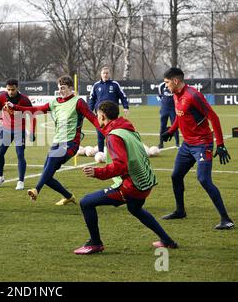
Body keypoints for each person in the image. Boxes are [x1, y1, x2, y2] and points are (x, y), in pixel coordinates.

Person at [74, 101, 178, 255]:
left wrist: (98, 172)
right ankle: (167, 240)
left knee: (86, 202)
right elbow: (104, 128)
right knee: (135, 208)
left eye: (98, 115)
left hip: (132, 186)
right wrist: (86, 112)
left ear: (103, 116)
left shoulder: (113, 137)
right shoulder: (126, 128)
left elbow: (121, 166)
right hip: (145, 183)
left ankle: (95, 243)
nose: (97, 118)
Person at [6, 75, 99, 205]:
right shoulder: (55, 102)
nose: (61, 91)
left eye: (63, 88)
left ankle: (36, 189)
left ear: (71, 88)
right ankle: (68, 196)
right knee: (47, 176)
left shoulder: (78, 102)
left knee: (51, 163)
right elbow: (36, 110)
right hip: (57, 142)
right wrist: (15, 107)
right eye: (59, 88)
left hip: (71, 143)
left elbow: (93, 118)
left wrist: (106, 131)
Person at [160, 67, 234, 230]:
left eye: (166, 83)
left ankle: (226, 219)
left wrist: (220, 144)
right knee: (176, 176)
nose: (165, 86)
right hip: (187, 145)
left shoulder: (193, 95)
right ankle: (180, 211)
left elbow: (213, 117)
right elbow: (180, 116)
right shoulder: (175, 95)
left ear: (175, 81)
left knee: (204, 179)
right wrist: (171, 131)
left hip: (202, 144)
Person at [0, 79, 36, 190]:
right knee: (0, 153)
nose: (10, 92)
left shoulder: (24, 100)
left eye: (13, 89)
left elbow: (32, 115)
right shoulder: (2, 97)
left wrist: (32, 131)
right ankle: (0, 177)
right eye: (9, 89)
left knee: (20, 155)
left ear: (17, 88)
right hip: (6, 130)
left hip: (19, 131)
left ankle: (21, 181)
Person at [88, 66, 129, 154]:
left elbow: (123, 96)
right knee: (100, 135)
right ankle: (101, 153)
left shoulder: (115, 84)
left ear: (109, 74)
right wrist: (89, 110)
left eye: (107, 73)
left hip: (112, 115)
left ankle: (112, 153)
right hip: (100, 115)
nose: (105, 75)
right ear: (101, 74)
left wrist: (125, 107)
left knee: (111, 135)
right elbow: (91, 99)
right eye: (104, 73)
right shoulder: (96, 85)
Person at [157, 81, 179, 149]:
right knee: (162, 126)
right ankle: (161, 144)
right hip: (164, 109)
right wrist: (162, 100)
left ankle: (177, 143)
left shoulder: (175, 85)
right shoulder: (161, 86)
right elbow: (160, 95)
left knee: (175, 126)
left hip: (173, 109)